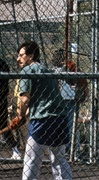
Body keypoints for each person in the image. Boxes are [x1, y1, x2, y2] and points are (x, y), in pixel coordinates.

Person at [0, 41, 72, 179]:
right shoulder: (45, 70)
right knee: (59, 160)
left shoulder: (27, 70)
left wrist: (20, 115)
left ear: (31, 56)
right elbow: (40, 99)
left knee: (31, 159)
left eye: (21, 55)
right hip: (60, 120)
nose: (18, 59)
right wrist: (25, 114)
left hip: (43, 120)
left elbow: (25, 99)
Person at [0, 58, 22, 159]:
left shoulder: (2, 63)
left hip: (1, 99)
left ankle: (15, 150)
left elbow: (4, 86)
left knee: (2, 124)